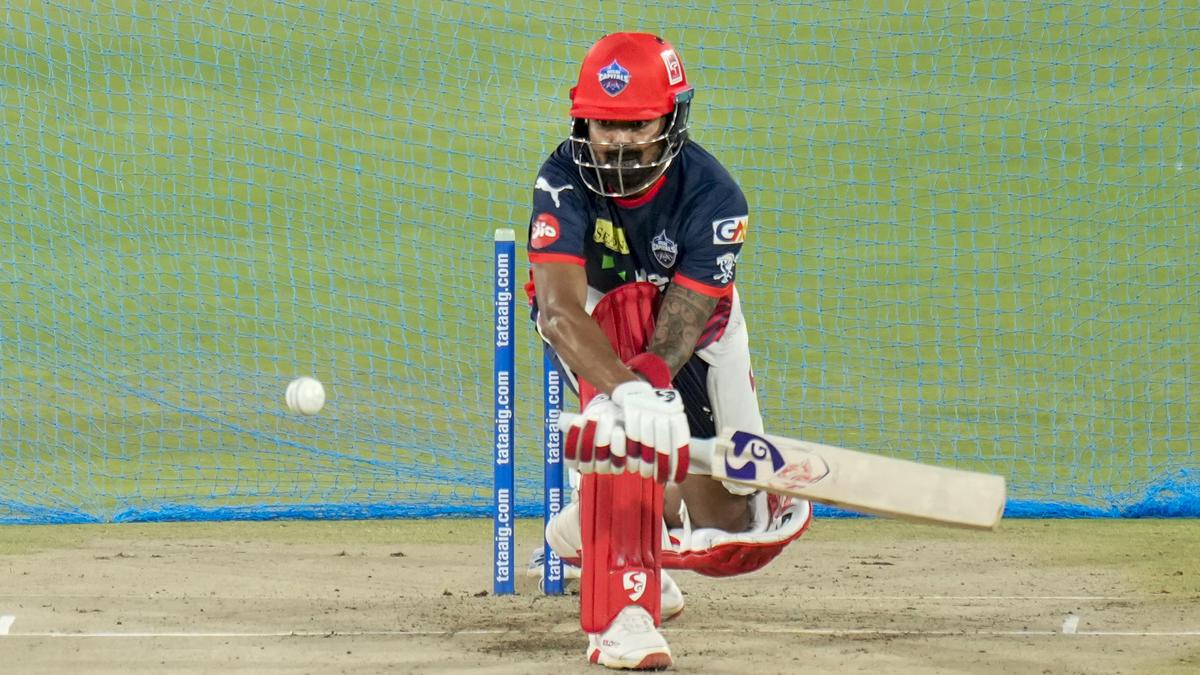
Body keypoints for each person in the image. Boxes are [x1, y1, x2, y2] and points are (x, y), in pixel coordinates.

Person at [525, 32, 811, 670]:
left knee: (735, 521)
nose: (619, 142)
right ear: (582, 119)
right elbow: (560, 310)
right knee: (619, 436)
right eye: (606, 124)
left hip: (697, 335)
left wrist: (650, 382)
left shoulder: (715, 197)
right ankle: (621, 613)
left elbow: (684, 321)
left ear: (672, 120)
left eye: (638, 124)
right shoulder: (561, 178)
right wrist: (625, 393)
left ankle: (583, 529)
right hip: (596, 322)